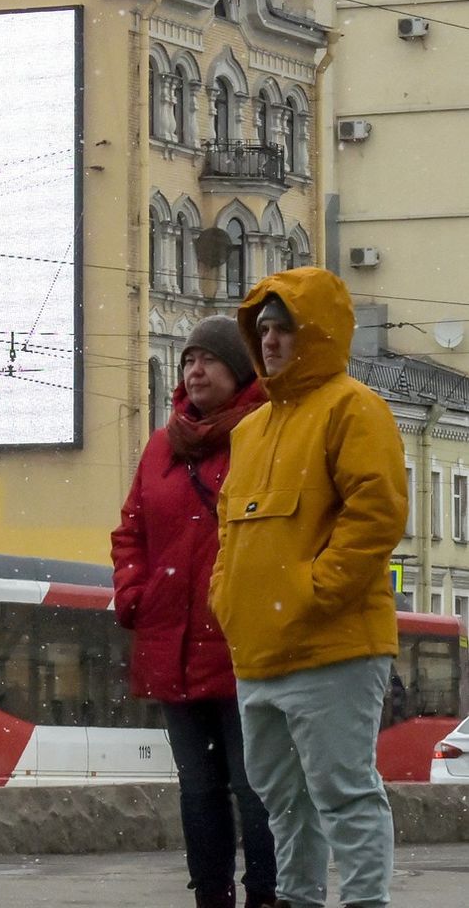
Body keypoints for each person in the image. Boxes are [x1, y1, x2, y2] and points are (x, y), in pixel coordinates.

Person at [209, 268, 409, 908]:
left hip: (334, 647)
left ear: (316, 332)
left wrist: (313, 593)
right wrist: (229, 600)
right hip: (260, 650)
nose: (269, 341)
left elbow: (375, 514)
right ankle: (298, 898)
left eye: (284, 328)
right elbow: (229, 535)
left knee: (343, 790)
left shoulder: (355, 408)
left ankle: (364, 901)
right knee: (278, 794)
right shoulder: (249, 430)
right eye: (262, 329)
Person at [111, 316, 276, 908]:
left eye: (208, 359)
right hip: (172, 642)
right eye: (188, 361)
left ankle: (266, 895)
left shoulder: (265, 432)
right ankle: (211, 895)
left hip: (242, 644)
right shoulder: (163, 444)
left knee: (255, 786)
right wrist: (134, 593)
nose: (195, 371)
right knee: (199, 787)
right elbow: (131, 529)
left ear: (239, 369)